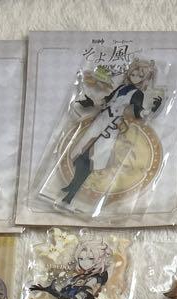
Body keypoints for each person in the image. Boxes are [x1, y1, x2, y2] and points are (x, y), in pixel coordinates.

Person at [60, 58, 163, 204]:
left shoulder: (137, 94)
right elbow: (106, 100)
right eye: (133, 74)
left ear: (145, 78)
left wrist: (152, 109)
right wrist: (91, 102)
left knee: (92, 158)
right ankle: (72, 185)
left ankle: (71, 194)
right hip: (101, 120)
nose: (135, 77)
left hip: (112, 126)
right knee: (81, 152)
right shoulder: (121, 88)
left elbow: (138, 113)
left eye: (140, 76)